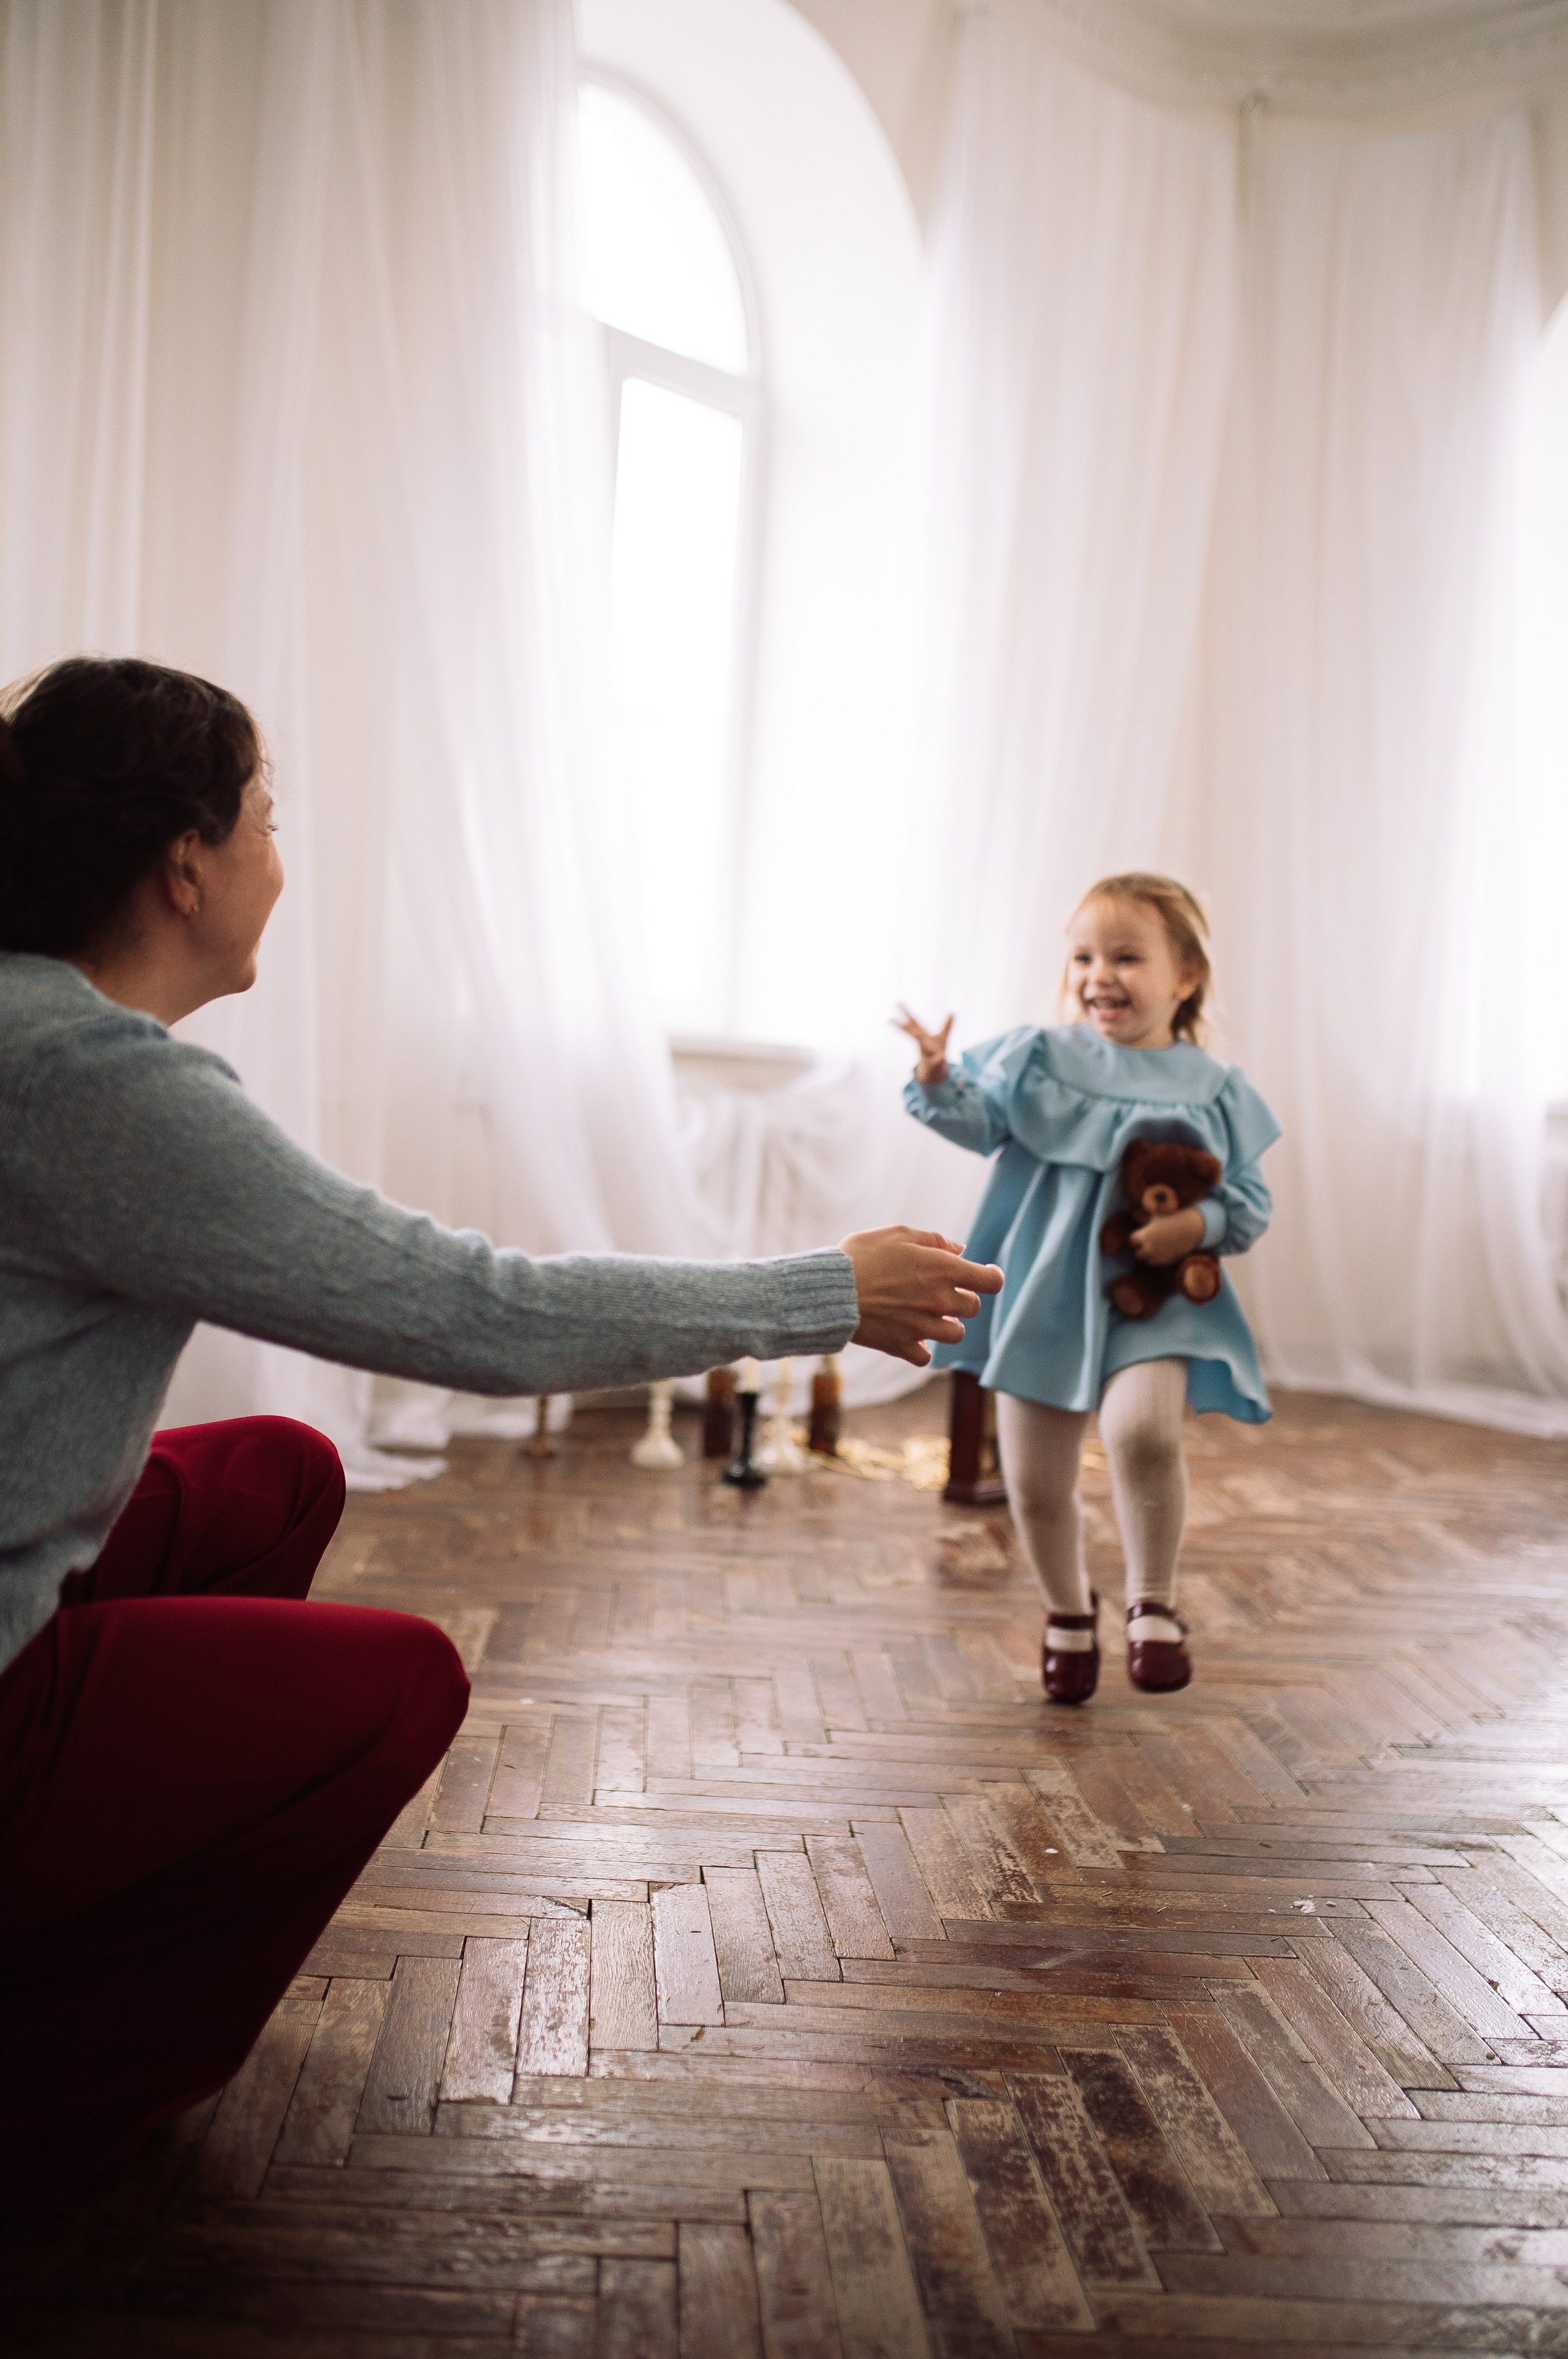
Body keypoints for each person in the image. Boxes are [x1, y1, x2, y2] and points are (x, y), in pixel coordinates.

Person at [0, 655, 1002, 2211]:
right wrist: (823, 1291)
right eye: (268, 817)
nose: (283, 855)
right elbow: (479, 1315)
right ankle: (55, 2098)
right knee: (400, 1681)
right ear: (185, 862)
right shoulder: (87, 1083)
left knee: (280, 1471)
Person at [899, 873, 1279, 1705]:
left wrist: (1198, 1228)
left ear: (1184, 977)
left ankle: (1155, 1604)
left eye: (1126, 956)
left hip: (1154, 1299)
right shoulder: (1038, 1055)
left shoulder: (1213, 1088)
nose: (1099, 973)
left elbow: (1248, 1205)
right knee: (1037, 1483)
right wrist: (936, 1077)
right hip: (1040, 1290)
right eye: (1084, 956)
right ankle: (1068, 1611)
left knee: (1143, 1433)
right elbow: (977, 1122)